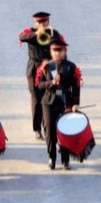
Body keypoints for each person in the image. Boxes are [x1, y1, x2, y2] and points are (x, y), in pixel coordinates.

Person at [37, 40, 85, 170]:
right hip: (48, 101)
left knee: (65, 131)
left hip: (65, 101)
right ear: (51, 52)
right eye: (55, 51)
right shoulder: (46, 66)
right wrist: (51, 82)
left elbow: (76, 86)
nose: (58, 53)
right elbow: (39, 85)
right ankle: (52, 157)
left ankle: (65, 159)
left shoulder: (71, 67)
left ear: (65, 52)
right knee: (49, 130)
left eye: (60, 51)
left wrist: (75, 103)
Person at [19, 12, 63, 139]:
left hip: (49, 68)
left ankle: (47, 127)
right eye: (40, 22)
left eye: (45, 22)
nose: (43, 24)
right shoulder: (30, 32)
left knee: (48, 96)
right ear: (35, 23)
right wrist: (36, 33)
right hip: (34, 68)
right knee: (36, 99)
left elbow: (61, 49)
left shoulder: (53, 33)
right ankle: (37, 128)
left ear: (48, 22)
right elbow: (22, 38)